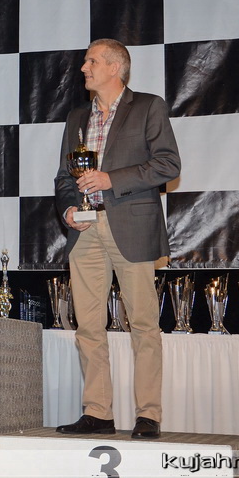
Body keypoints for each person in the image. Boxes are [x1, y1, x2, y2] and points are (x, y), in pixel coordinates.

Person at [54, 39, 181, 439]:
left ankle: (148, 414)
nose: (84, 68)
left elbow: (168, 164)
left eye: (91, 61)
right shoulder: (77, 116)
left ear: (115, 67)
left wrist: (112, 180)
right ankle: (98, 412)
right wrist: (68, 209)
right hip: (85, 230)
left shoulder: (148, 106)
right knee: (88, 326)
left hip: (132, 226)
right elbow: (64, 177)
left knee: (143, 324)